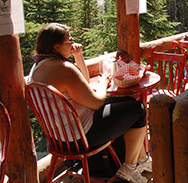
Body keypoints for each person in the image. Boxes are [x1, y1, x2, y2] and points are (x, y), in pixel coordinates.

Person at [27, 23, 151, 183]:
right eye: (69, 41)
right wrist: (103, 82)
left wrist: (78, 55)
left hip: (59, 137)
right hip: (80, 137)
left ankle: (142, 161)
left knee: (124, 103)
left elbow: (83, 82)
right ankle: (130, 169)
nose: (73, 43)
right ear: (56, 47)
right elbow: (97, 103)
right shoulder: (63, 69)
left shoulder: (36, 69)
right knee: (137, 109)